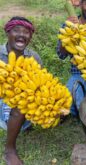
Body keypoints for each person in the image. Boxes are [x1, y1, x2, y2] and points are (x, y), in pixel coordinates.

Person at [0, 16, 43, 165]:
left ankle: (25, 125)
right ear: (8, 33)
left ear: (30, 37)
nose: (21, 35)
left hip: (27, 103)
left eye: (26, 32)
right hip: (4, 103)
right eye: (16, 31)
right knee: (19, 104)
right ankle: (9, 150)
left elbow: (41, 84)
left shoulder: (34, 58)